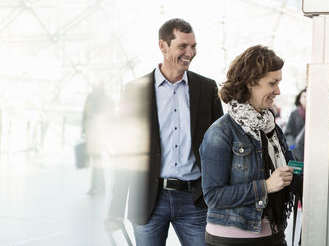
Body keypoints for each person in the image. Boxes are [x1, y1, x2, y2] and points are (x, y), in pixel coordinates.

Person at [106, 18, 223, 246]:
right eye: (183, 46)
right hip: (149, 199)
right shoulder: (134, 90)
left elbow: (218, 147)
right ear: (163, 46)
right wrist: (116, 208)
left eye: (194, 46)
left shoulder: (207, 88)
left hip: (194, 200)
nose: (190, 52)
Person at [200, 45, 300, 246]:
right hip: (232, 239)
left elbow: (292, 168)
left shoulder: (271, 126)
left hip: (273, 233)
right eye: (272, 83)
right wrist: (266, 186)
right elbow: (213, 196)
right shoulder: (221, 132)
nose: (278, 91)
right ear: (251, 83)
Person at [81, 81, 114, 196]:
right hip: (91, 134)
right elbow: (85, 114)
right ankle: (99, 187)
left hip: (100, 135)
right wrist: (84, 130)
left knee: (97, 160)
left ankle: (96, 187)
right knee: (96, 161)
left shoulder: (106, 101)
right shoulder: (90, 98)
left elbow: (110, 119)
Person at [284, 89, 306, 162]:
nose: (306, 99)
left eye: (308, 96)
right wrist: (293, 147)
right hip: (297, 150)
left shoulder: (316, 114)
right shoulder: (294, 114)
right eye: (304, 96)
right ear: (299, 99)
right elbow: (288, 133)